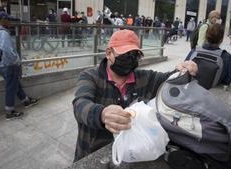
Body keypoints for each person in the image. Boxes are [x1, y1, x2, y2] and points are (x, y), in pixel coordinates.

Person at [72, 29, 198, 161]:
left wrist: (185, 69)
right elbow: (80, 104)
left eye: (135, 55)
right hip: (92, 152)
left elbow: (169, 80)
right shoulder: (89, 76)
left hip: (131, 152)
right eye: (125, 54)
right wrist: (102, 114)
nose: (130, 59)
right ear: (109, 53)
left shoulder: (144, 78)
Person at [0, 12, 39, 120]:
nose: (10, 22)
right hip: (8, 65)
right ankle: (9, 112)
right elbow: (8, 51)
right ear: (3, 20)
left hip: (2, 64)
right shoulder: (3, 33)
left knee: (15, 84)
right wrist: (17, 61)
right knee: (11, 88)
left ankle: (26, 101)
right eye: (8, 20)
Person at [186, 23, 231, 88]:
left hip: (192, 89)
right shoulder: (226, 57)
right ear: (221, 40)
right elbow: (228, 80)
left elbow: (184, 69)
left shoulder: (194, 51)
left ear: (206, 37)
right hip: (212, 91)